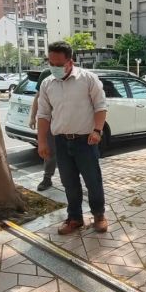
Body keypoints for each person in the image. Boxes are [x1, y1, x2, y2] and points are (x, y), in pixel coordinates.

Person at [36, 41, 109, 235]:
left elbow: (100, 107)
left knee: (93, 180)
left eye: (59, 64)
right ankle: (75, 218)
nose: (54, 67)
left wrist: (97, 130)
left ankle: (99, 215)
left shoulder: (88, 79)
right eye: (50, 62)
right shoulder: (47, 83)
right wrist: (42, 141)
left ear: (70, 61)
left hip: (86, 140)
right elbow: (43, 115)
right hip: (60, 140)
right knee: (69, 182)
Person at [29, 67, 57, 191]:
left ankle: (75, 179)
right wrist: (32, 117)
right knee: (49, 151)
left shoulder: (77, 74)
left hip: (69, 122)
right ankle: (47, 178)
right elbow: (38, 97)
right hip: (50, 120)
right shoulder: (46, 74)